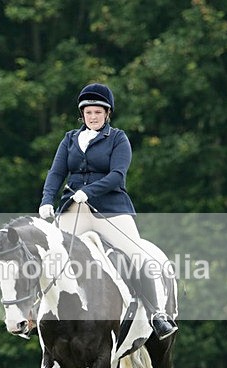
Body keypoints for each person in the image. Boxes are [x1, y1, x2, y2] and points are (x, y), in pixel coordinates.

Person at [38, 83, 177, 339]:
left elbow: (117, 175)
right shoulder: (69, 139)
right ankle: (43, 314)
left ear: (107, 114)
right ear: (82, 115)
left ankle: (157, 314)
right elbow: (56, 172)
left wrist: (89, 192)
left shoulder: (118, 138)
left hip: (111, 209)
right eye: (89, 113)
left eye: (98, 112)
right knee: (52, 256)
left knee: (136, 255)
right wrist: (47, 199)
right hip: (74, 209)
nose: (93, 117)